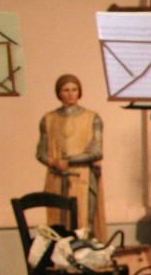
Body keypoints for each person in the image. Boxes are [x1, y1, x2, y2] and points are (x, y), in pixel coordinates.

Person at [36, 73, 107, 241]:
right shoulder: (48, 119)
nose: (70, 94)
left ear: (79, 92)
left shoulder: (92, 118)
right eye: (66, 90)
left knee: (82, 224)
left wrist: (68, 161)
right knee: (57, 226)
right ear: (59, 93)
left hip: (82, 177)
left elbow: (96, 152)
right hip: (56, 177)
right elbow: (41, 153)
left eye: (74, 90)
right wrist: (54, 162)